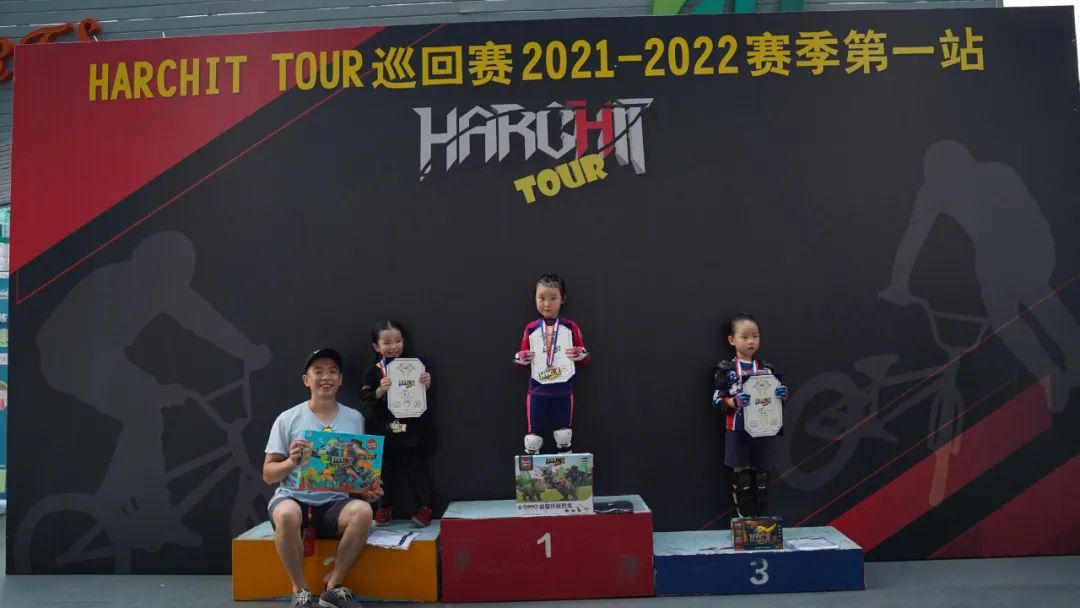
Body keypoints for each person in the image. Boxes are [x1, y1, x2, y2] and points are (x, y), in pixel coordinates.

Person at [881, 140, 1078, 413]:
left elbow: (1027, 219)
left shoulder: (998, 175)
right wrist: (899, 283)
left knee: (1033, 297)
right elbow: (913, 238)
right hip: (995, 258)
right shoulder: (935, 191)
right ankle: (1051, 373)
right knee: (1006, 318)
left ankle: (1071, 359)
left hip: (1028, 246)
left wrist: (1022, 260)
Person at [264, 348, 374, 608]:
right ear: (306, 380)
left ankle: (333, 586)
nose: (326, 377)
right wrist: (291, 462)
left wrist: (367, 488)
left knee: (363, 511)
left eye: (333, 371)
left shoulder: (354, 419)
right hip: (293, 498)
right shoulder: (288, 419)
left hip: (335, 504)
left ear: (341, 379)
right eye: (318, 371)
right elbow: (268, 474)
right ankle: (299, 590)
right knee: (286, 514)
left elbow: (358, 470)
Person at [712, 314, 790, 517]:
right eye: (744, 337)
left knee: (762, 478)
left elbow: (774, 400)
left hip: (764, 429)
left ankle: (763, 522)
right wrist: (733, 402)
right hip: (737, 429)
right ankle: (744, 521)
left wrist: (781, 395)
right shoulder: (726, 370)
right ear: (732, 340)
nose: (750, 341)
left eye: (755, 336)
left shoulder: (767, 369)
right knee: (743, 479)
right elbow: (717, 399)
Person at [358, 321, 434, 528]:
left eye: (398, 341)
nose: (393, 346)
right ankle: (384, 506)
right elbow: (364, 397)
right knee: (385, 470)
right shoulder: (373, 372)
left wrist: (426, 384)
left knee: (417, 470)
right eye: (387, 342)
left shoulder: (415, 367)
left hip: (412, 430)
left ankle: (425, 507)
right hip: (385, 430)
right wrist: (379, 391)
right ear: (376, 346)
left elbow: (420, 396)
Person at [514, 273, 591, 454]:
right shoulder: (531, 328)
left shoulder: (571, 327)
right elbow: (519, 362)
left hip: (563, 390)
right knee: (532, 440)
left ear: (562, 299)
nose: (547, 304)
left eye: (553, 298)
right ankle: (532, 471)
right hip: (537, 390)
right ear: (535, 298)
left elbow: (586, 358)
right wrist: (520, 357)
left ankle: (566, 470)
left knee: (564, 436)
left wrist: (580, 353)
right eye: (541, 298)